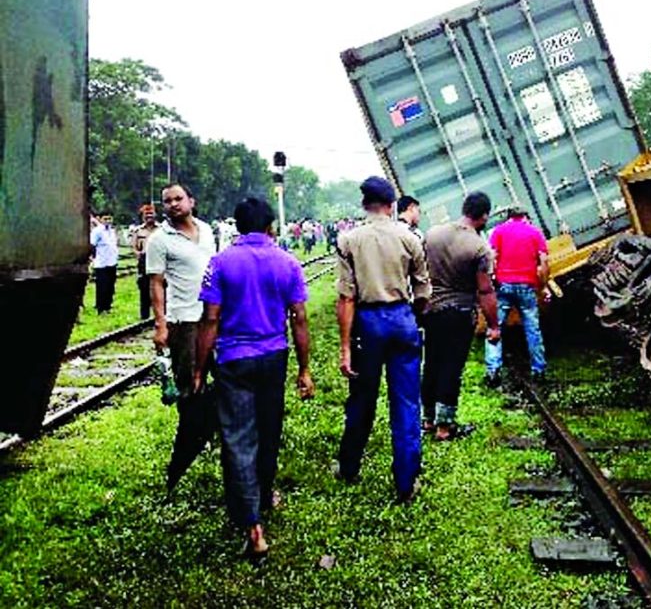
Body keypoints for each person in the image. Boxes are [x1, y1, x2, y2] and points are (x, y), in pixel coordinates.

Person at [195, 196, 313, 557]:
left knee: (238, 437)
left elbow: (210, 319)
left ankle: (252, 523)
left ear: (238, 225)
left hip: (233, 360)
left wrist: (200, 368)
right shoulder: (288, 262)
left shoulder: (220, 263)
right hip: (274, 357)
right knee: (268, 428)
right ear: (269, 227)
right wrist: (305, 369)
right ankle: (264, 494)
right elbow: (300, 318)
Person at [335, 176, 431, 503]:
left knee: (362, 398)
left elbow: (346, 298)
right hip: (402, 318)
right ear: (392, 206)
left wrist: (346, 346)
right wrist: (412, 317)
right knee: (406, 402)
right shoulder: (410, 239)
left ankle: (349, 466)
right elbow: (423, 291)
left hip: (367, 323)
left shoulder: (349, 240)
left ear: (364, 204)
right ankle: (406, 481)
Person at [146, 183, 218, 491]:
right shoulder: (159, 240)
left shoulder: (207, 230)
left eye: (178, 198)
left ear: (191, 200)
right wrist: (161, 324)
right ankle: (192, 437)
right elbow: (156, 283)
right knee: (190, 385)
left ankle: (213, 432)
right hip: (184, 321)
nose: (173, 204)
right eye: (168, 201)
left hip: (213, 318)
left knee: (223, 376)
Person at [422, 192, 500, 440]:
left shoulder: (433, 234)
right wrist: (494, 325)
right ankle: (445, 427)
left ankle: (428, 419)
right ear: (484, 215)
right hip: (460, 312)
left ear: (464, 209)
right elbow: (485, 290)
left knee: (432, 362)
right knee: (451, 367)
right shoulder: (479, 248)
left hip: (431, 310)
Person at [484, 206, 550, 386]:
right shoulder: (535, 232)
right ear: (525, 217)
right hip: (527, 287)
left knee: (495, 327)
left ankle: (492, 370)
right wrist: (543, 286)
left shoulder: (498, 231)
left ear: (509, 217)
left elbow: (491, 257)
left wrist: (492, 280)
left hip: (504, 286)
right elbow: (544, 262)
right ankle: (539, 370)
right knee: (532, 329)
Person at [131, 204, 159, 319]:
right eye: (146, 215)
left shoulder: (161, 230)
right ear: (142, 217)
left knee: (161, 288)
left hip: (159, 261)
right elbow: (134, 247)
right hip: (144, 261)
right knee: (144, 289)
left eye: (151, 214)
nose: (149, 217)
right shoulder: (138, 231)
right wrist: (139, 257)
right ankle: (144, 316)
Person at [90, 211, 119, 314]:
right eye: (105, 219)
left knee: (111, 286)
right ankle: (100, 307)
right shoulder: (97, 231)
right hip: (101, 263)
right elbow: (92, 245)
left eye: (109, 219)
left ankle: (108, 306)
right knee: (102, 286)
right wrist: (93, 258)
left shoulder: (112, 231)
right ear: (100, 219)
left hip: (112, 262)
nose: (107, 221)